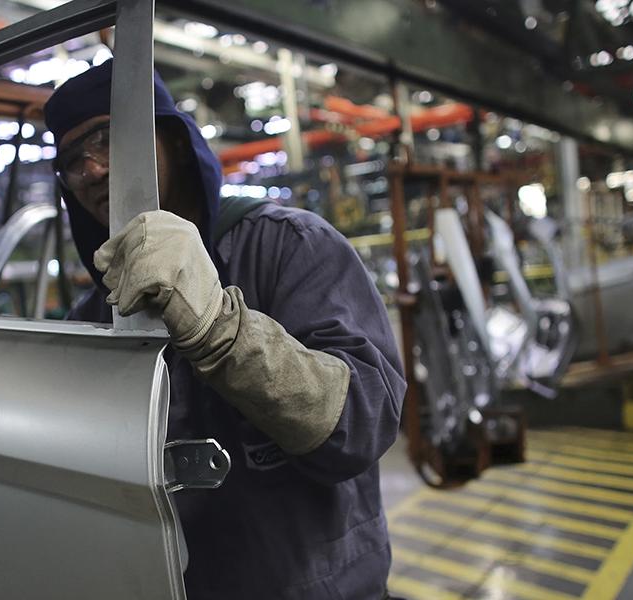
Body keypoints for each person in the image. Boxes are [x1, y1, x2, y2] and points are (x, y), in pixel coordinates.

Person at [45, 60, 406, 600]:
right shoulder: (95, 316)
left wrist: (220, 329)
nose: (94, 169)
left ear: (165, 136)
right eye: (74, 162)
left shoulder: (288, 246)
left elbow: (362, 423)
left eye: (106, 139)